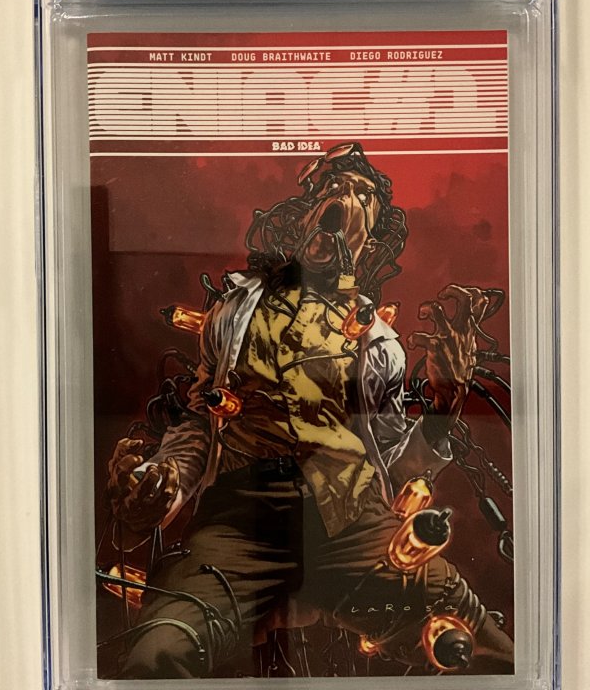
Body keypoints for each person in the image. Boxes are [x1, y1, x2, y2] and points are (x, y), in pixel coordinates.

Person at [108, 142, 514, 678]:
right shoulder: (234, 313)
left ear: (370, 244)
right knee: (158, 652)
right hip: (241, 527)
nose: (342, 200)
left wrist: (445, 407)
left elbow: (395, 467)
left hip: (356, 527)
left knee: (491, 650)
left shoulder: (381, 345)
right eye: (331, 188)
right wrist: (159, 483)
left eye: (361, 197)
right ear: (302, 218)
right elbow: (201, 423)